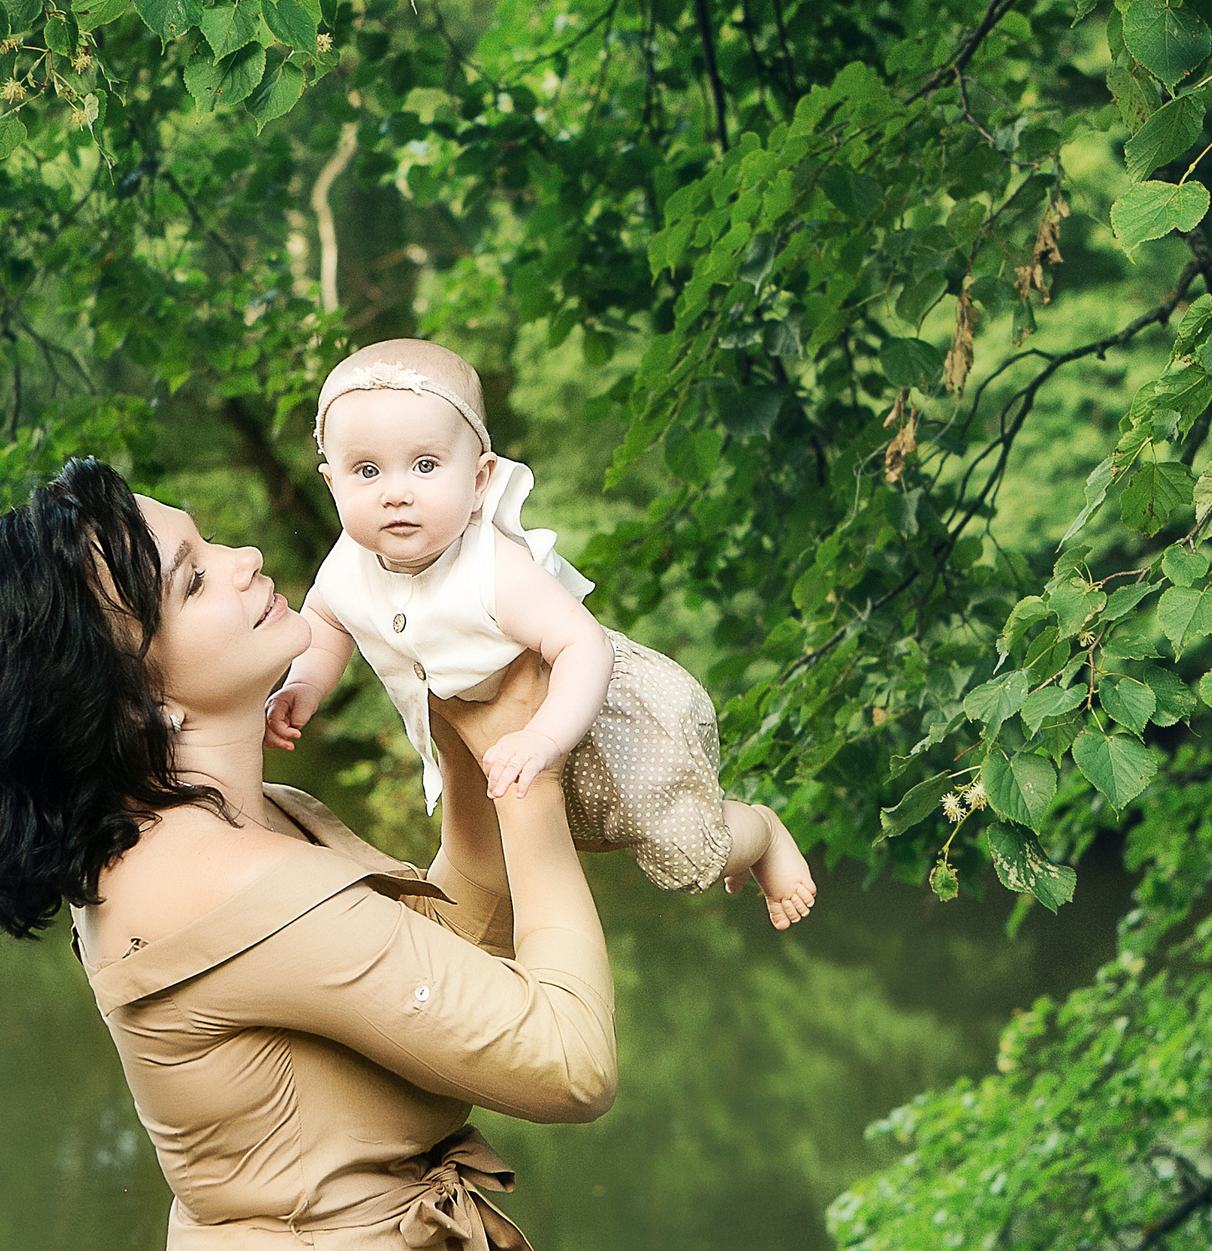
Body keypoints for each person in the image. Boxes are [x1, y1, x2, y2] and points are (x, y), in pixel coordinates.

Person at [0, 455, 614, 1251]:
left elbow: (448, 950)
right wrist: (531, 788)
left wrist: (470, 726)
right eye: (194, 578)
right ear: (133, 697)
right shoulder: (220, 883)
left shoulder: (253, 826)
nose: (247, 559)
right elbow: (568, 1059)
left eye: (212, 544)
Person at [263, 338, 818, 930]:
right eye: (367, 471)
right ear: (332, 484)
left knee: (684, 853)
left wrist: (546, 738)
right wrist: (304, 687)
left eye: (425, 466)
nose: (395, 492)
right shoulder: (348, 564)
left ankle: (760, 831)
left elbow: (583, 644)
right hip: (514, 739)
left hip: (605, 715)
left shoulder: (494, 570)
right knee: (558, 844)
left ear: (480, 479)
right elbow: (328, 619)